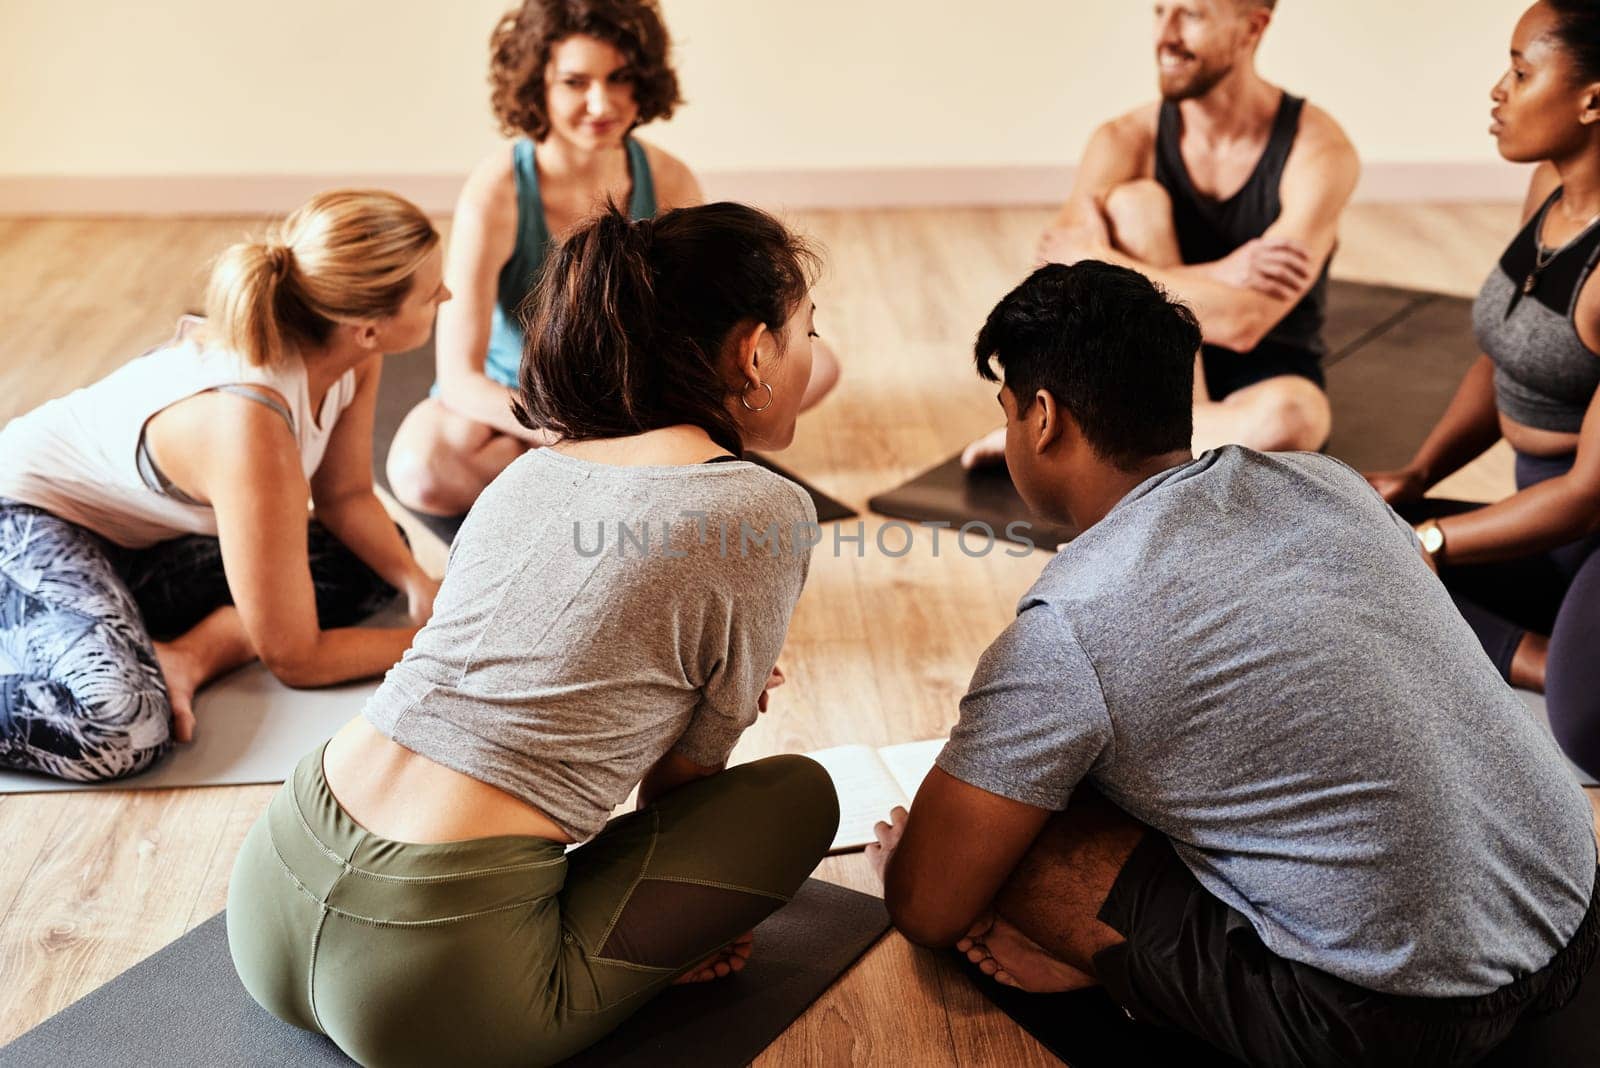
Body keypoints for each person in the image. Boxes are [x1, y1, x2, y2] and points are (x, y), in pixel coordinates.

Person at [874, 262, 1600, 1067]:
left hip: (1396, 1024)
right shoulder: (1330, 483)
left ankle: (1110, 974)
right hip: (1574, 912)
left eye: (1007, 412)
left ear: (1043, 419)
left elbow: (928, 908)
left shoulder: (1071, 624)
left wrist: (914, 862)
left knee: (1023, 851)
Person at [226, 202, 840, 1067]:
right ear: (754, 351)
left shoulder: (532, 470)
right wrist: (708, 712)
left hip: (270, 884)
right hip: (428, 985)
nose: (813, 353)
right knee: (800, 795)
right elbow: (680, 796)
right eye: (807, 329)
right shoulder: (763, 508)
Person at [0, 190, 446, 783]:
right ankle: (83, 633)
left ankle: (183, 652)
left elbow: (344, 498)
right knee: (122, 727)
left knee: (371, 558)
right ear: (367, 327)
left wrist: (418, 585)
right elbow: (297, 659)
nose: (446, 295)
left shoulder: (350, 352)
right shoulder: (248, 423)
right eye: (431, 292)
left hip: (134, 541)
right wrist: (434, 642)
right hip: (27, 519)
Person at [385, 0, 841, 517]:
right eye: (575, 83)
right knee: (420, 469)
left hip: (636, 399)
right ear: (539, 85)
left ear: (643, 81)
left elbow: (705, 326)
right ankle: (617, 468)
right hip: (526, 400)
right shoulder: (495, 192)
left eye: (619, 78)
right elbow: (461, 376)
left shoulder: (669, 178)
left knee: (815, 364)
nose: (601, 105)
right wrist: (568, 433)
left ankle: (588, 475)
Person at [963, 0, 1358, 468]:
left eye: (1190, 15)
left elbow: (1244, 323)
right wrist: (1223, 273)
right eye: (1158, 11)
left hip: (1263, 370)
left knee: (1294, 421)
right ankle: (1187, 447)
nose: (1165, 35)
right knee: (1135, 205)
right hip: (1144, 365)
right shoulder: (1123, 139)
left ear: (1252, 28)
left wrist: (1099, 255)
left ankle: (1108, 439)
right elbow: (1062, 288)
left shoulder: (1317, 150)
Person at [1366, 0, 1600, 781]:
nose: (1499, 90)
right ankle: (1534, 652)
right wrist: (1417, 480)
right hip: (1549, 542)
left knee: (1586, 727)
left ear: (1592, 99)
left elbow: (1586, 498)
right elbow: (1500, 357)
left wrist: (1434, 540)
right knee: (1342, 545)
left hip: (1588, 524)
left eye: (1522, 71)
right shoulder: (1547, 191)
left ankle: (1551, 655)